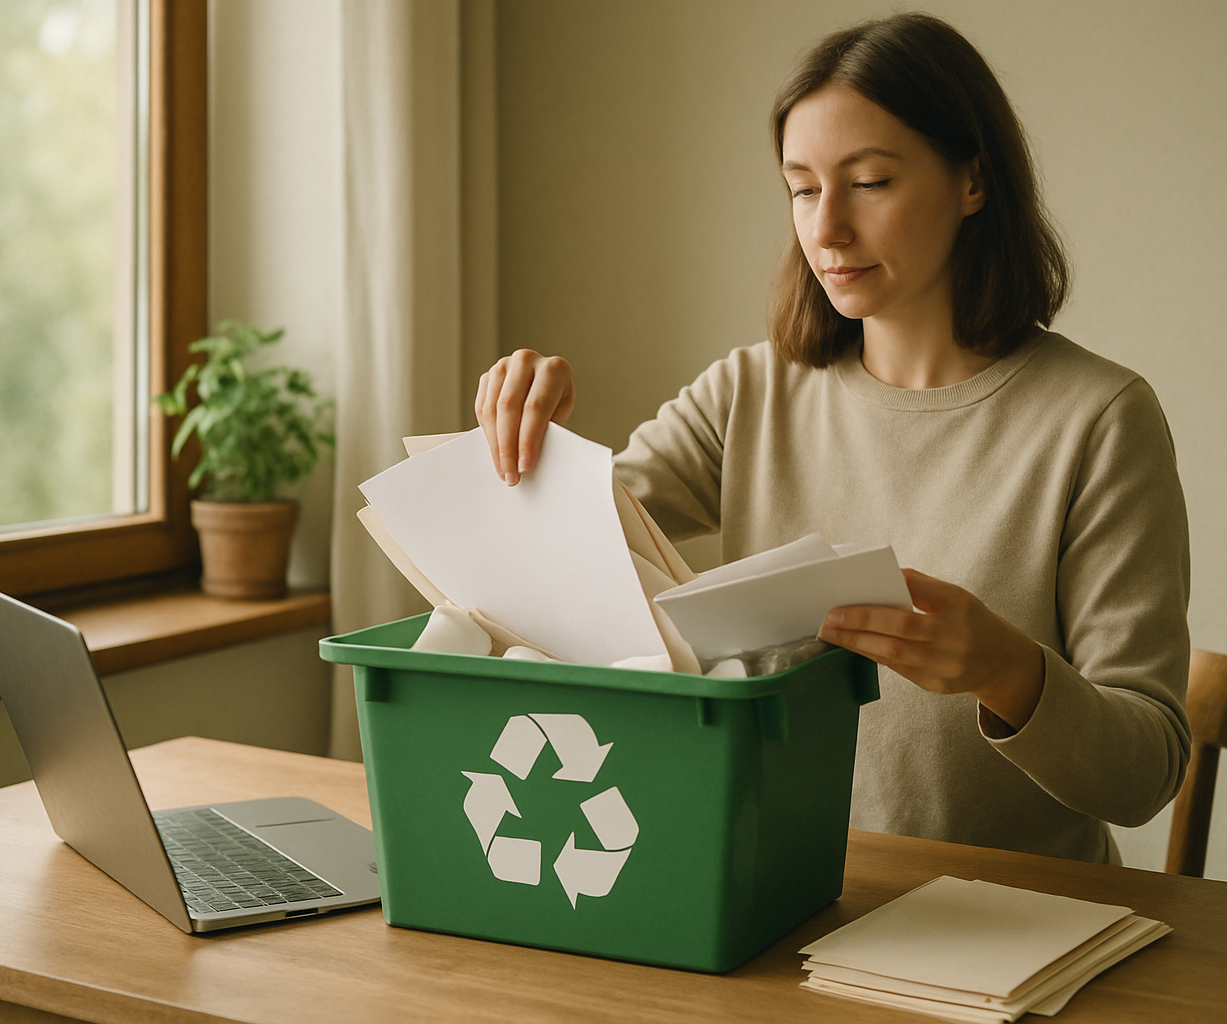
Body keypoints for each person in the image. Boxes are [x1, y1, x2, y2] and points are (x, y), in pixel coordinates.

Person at [474, 13, 1190, 865]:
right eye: (804, 188)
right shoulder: (751, 390)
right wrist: (533, 443)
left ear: (973, 181)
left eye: (871, 182)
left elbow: (1146, 774)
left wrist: (1010, 671)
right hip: (771, 890)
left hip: (1011, 921)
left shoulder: (1100, 419)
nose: (827, 230)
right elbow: (549, 569)